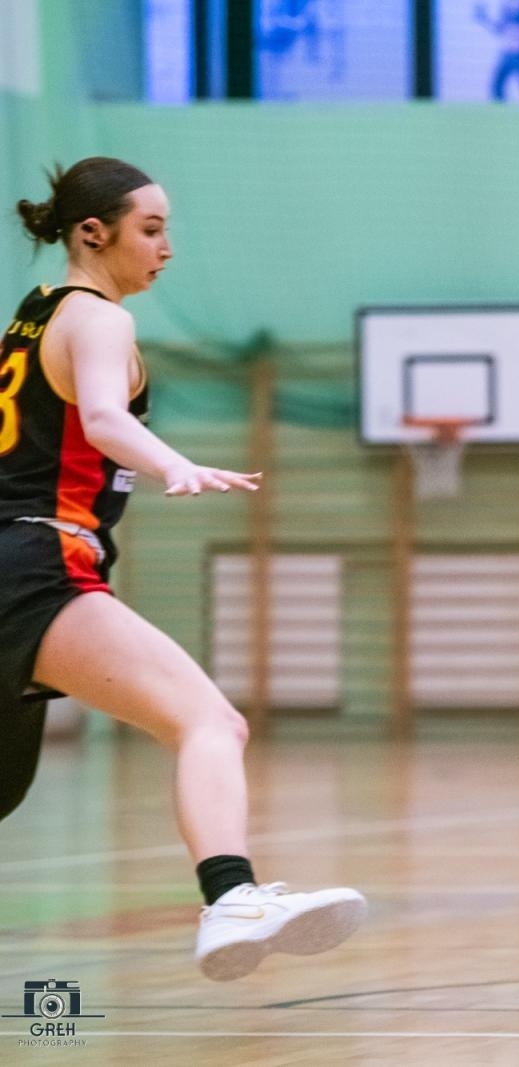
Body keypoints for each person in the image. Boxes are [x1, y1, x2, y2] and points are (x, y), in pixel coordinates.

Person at [4, 157, 367, 981]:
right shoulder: (99, 320)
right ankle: (232, 897)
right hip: (34, 560)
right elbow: (100, 415)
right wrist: (173, 463)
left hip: (13, 555)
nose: (167, 247)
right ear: (93, 233)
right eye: (152, 229)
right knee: (210, 722)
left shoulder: (28, 318)